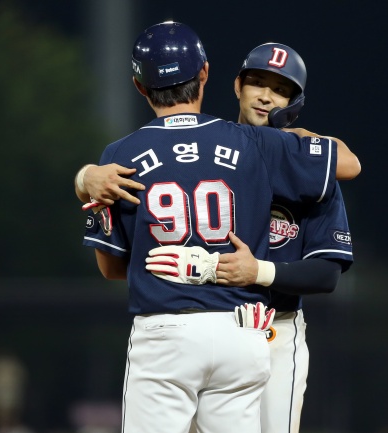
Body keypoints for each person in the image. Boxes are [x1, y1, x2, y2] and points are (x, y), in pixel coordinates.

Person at [79, 21, 359, 433]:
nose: (266, 95)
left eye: (281, 89)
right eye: (258, 82)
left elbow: (329, 261)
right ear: (226, 81)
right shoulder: (252, 147)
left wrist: (84, 177)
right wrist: (85, 175)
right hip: (235, 329)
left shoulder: (126, 153)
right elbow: (348, 162)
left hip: (266, 326)